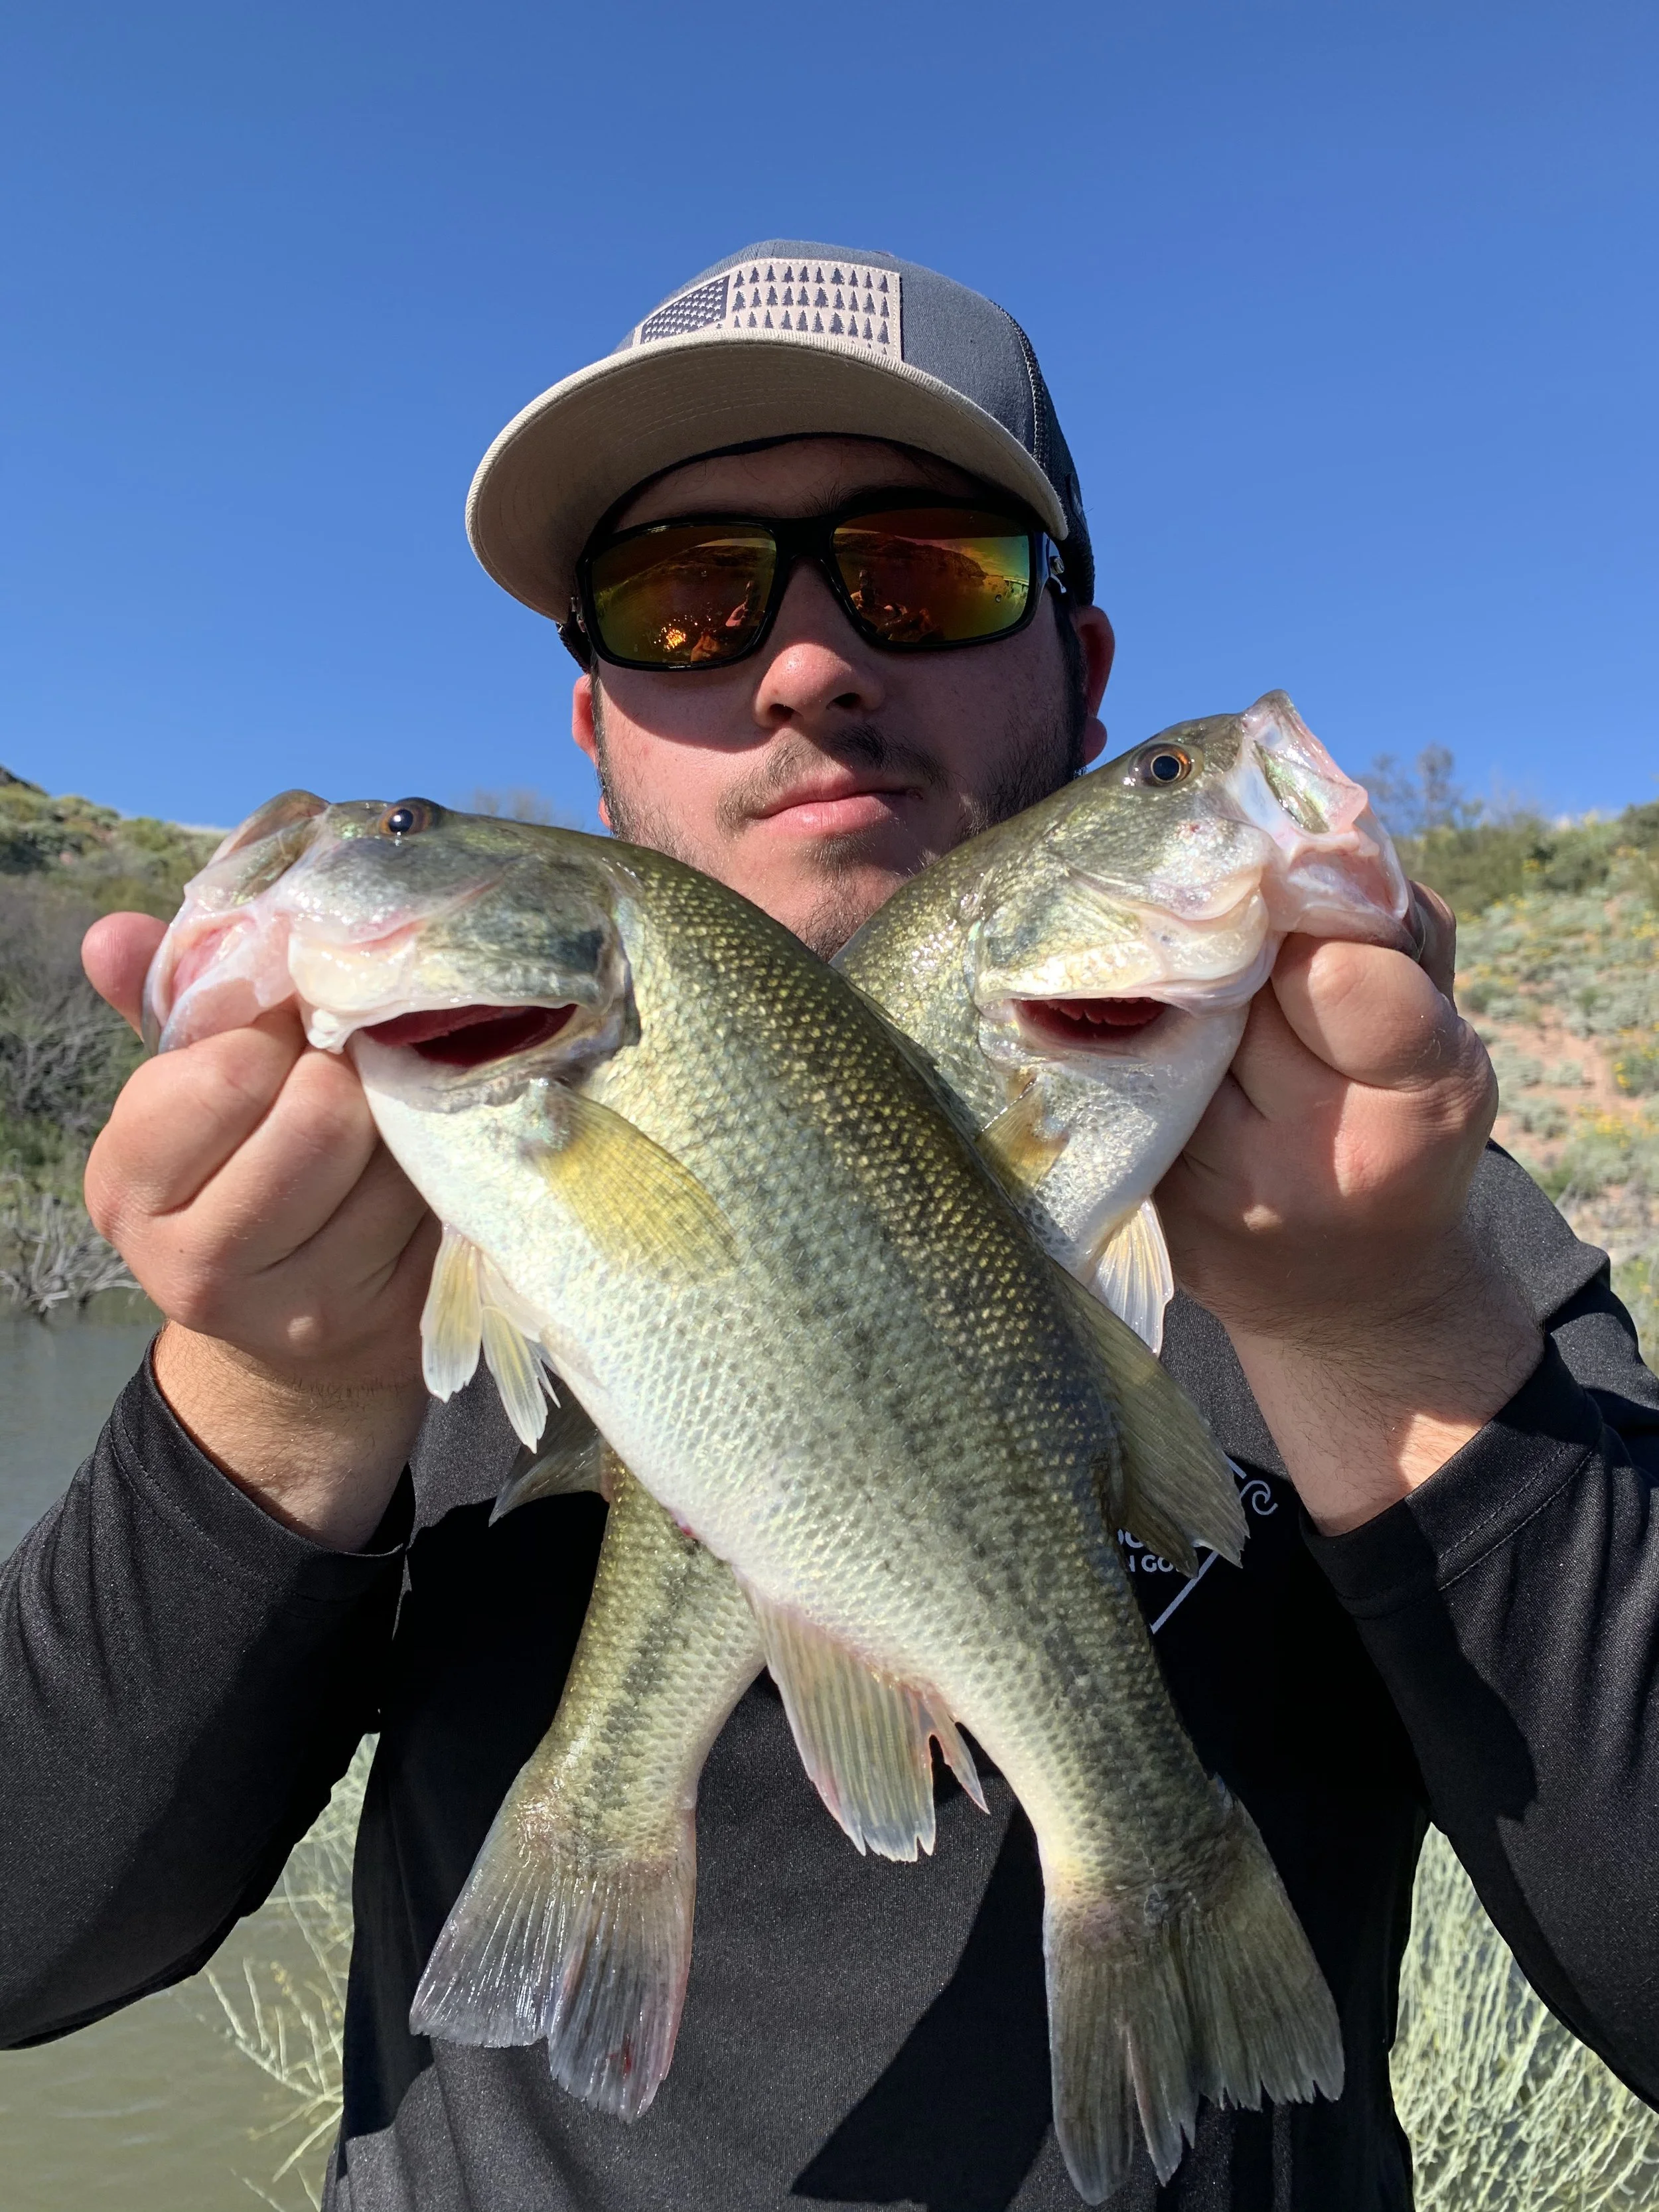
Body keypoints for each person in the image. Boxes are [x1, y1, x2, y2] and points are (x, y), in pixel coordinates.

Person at [2, 241, 1655, 2212]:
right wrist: (267, 1407)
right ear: (598, 727)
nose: (804, 665)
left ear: (1080, 666)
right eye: (682, 598)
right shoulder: (403, 1209)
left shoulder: (1392, 1207)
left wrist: (1396, 1342)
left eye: (927, 572)